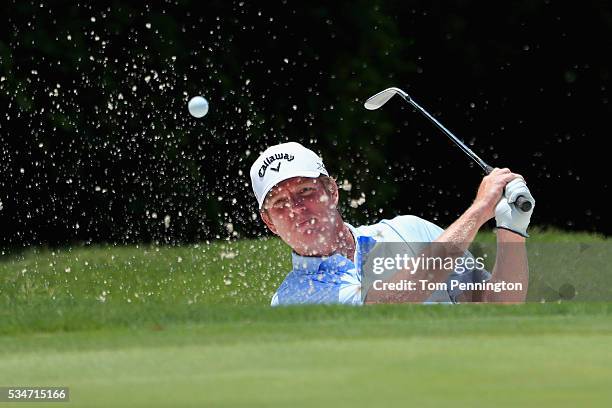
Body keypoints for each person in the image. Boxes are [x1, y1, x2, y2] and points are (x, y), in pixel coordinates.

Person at [249, 142, 535, 305]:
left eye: (305, 191)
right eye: (279, 204)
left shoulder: (408, 231)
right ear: (269, 222)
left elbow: (495, 305)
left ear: (331, 192)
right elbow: (392, 300)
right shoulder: (293, 299)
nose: (296, 209)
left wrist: (512, 229)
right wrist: (480, 209)